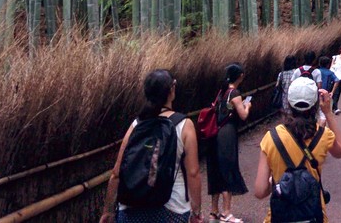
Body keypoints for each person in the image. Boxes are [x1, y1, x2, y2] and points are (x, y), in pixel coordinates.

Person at [100, 69, 204, 223]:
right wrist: (196, 212)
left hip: (131, 208)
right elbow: (193, 172)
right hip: (172, 208)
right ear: (172, 89)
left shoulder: (137, 124)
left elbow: (117, 172)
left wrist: (108, 211)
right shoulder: (184, 125)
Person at [254, 77, 341, 223]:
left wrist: (276, 181)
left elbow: (260, 191)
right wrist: (328, 113)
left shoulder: (272, 137)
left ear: (289, 103)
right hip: (313, 215)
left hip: (279, 217)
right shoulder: (323, 135)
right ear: (316, 104)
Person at [205, 63, 251, 223]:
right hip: (227, 134)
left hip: (215, 133)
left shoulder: (221, 92)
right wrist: (248, 105)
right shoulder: (234, 93)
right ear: (240, 76)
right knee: (228, 168)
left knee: (217, 169)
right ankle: (226, 213)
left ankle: (214, 212)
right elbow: (243, 115)